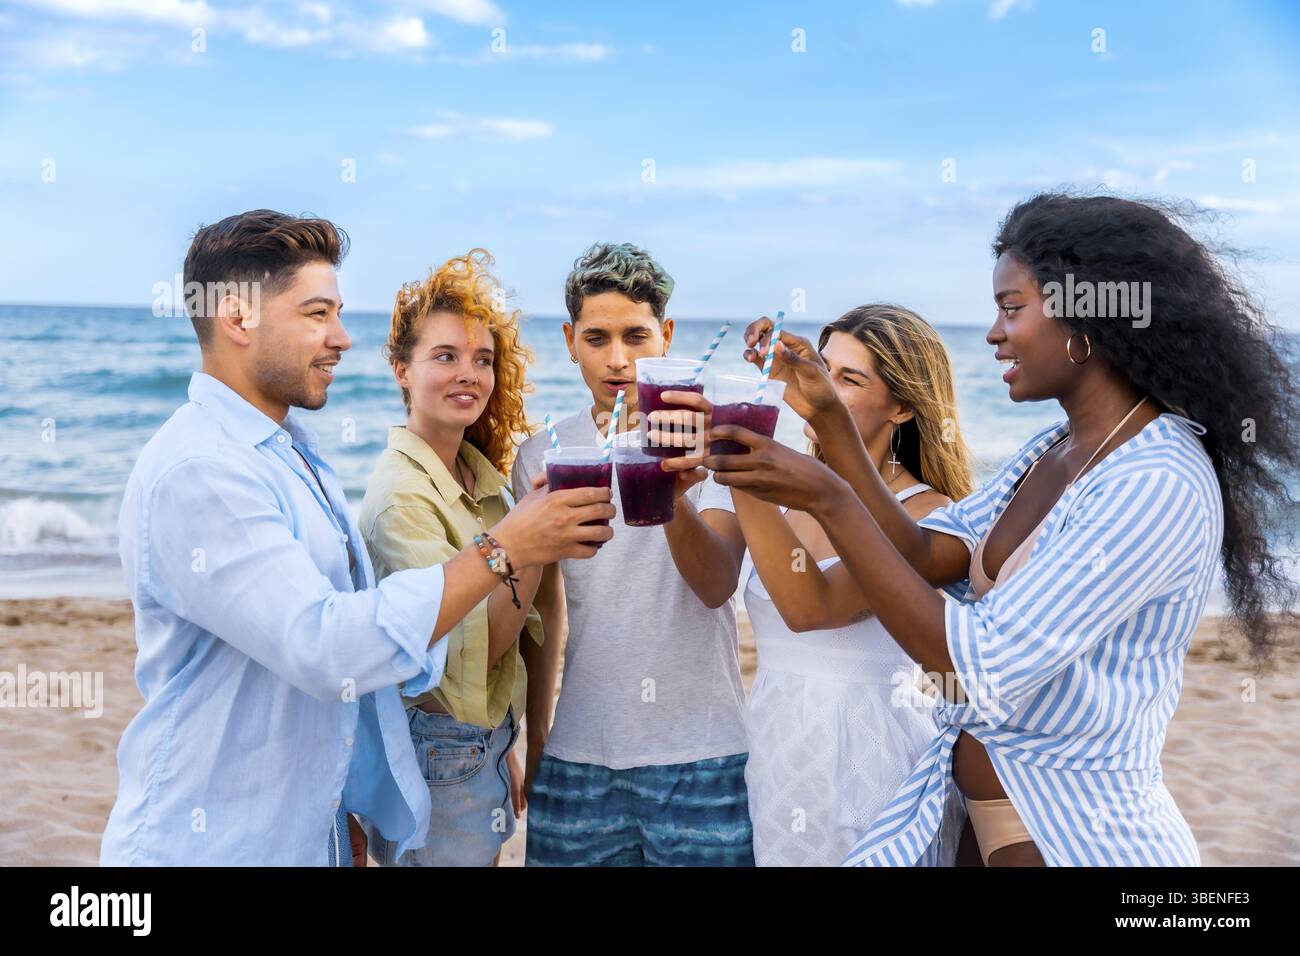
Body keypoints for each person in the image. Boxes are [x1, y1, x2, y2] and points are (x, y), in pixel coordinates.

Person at [674, 193, 1299, 866]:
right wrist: (828, 415)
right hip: (986, 826)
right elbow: (922, 550)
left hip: (1081, 839)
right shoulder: (1054, 449)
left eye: (1011, 309)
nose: (994, 334)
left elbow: (978, 670)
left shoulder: (1154, 479)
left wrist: (826, 493)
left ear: (1089, 317)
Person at [101, 210, 613, 866]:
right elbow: (326, 646)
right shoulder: (202, 469)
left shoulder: (289, 452)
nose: (342, 337)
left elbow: (362, 664)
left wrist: (353, 796)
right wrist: (507, 549)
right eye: (317, 313)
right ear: (236, 318)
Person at [510, 242, 754, 866]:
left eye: (636, 336)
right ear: (569, 340)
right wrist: (539, 732)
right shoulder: (545, 456)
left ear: (667, 334)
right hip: (580, 753)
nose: (617, 359)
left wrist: (674, 494)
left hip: (702, 753)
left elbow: (717, 583)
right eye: (596, 338)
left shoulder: (714, 441)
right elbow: (546, 616)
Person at [734, 304, 973, 866]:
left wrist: (736, 458)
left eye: (851, 379)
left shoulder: (925, 515)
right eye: (824, 369)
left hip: (865, 759)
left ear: (904, 407)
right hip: (777, 750)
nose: (826, 389)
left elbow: (808, 606)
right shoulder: (791, 488)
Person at [359, 250, 555, 866]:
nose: (468, 373)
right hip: (438, 751)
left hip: (481, 743)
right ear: (401, 370)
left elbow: (517, 637)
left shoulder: (483, 479)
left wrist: (505, 745)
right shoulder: (400, 499)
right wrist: (533, 539)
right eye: (445, 356)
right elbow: (473, 656)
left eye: (483, 359)